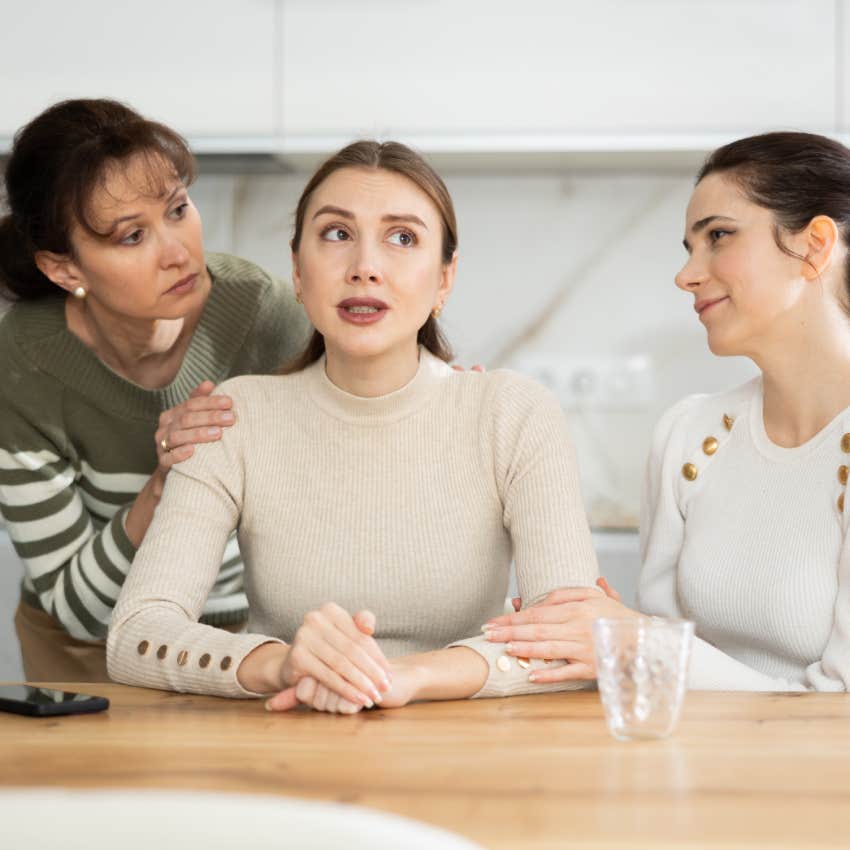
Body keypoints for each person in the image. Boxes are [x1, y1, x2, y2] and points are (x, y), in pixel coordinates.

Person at [106, 140, 600, 712]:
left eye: (403, 238)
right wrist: (280, 664)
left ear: (445, 279)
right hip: (286, 743)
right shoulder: (234, 419)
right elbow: (135, 635)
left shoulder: (513, 413)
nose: (365, 267)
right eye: (337, 234)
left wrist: (408, 677)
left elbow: (574, 640)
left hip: (468, 758)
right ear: (296, 269)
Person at [481, 132, 850, 693]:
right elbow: (669, 666)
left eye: (719, 236)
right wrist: (606, 632)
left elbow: (838, 708)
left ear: (815, 246)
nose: (687, 275)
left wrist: (633, 641)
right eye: (688, 248)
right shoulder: (690, 436)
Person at [0, 99, 309, 681]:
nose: (177, 252)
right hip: (85, 650)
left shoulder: (269, 319)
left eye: (177, 209)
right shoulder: (20, 366)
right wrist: (164, 487)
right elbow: (78, 610)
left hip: (247, 640)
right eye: (132, 236)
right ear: (64, 270)